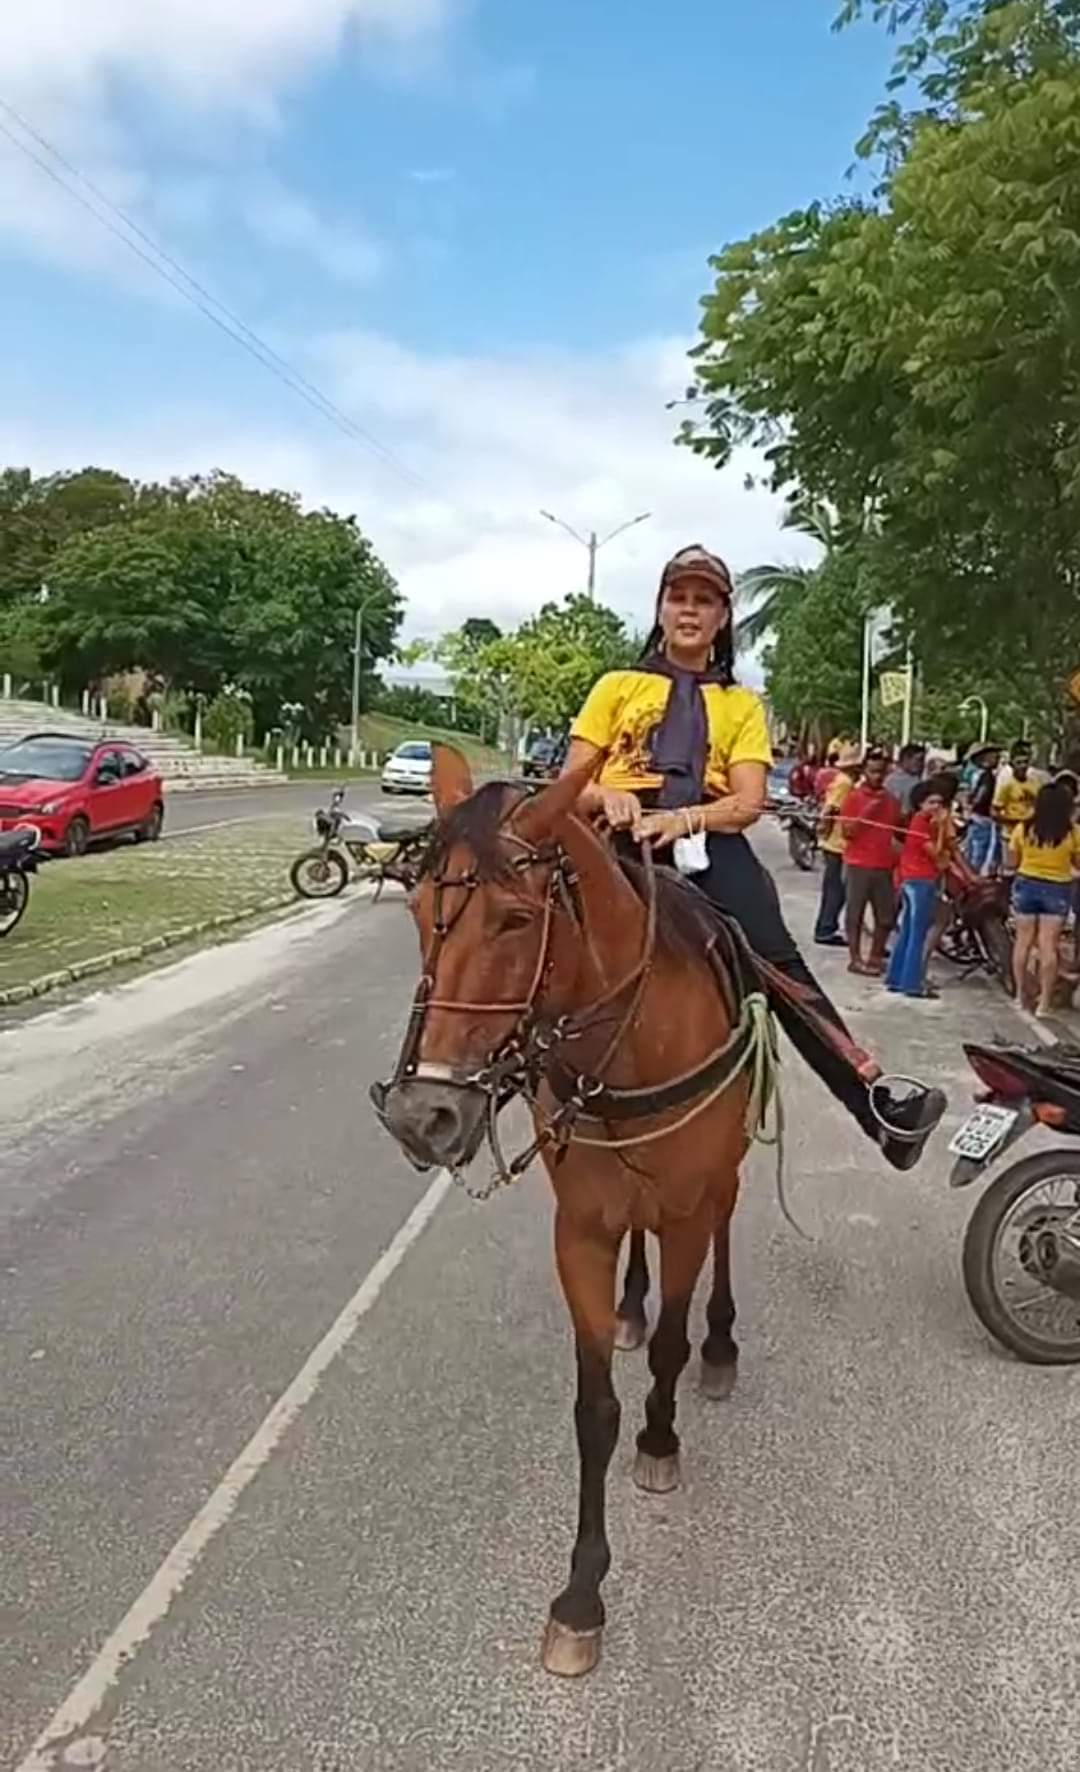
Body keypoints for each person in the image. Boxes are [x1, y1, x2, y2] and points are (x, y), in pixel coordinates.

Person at [563, 543, 946, 1171]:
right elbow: (570, 781)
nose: (688, 611)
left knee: (779, 963)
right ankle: (472, 1096)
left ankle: (876, 1106)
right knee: (518, 933)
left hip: (706, 840)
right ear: (660, 609)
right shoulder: (616, 686)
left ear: (721, 619)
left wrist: (681, 818)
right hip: (614, 838)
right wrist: (608, 794)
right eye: (677, 597)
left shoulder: (742, 704)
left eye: (703, 600)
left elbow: (745, 802)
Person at [1009, 778, 1080, 1018]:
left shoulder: (1023, 829)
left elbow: (1012, 861)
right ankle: (1044, 1002)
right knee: (1049, 946)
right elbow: (1077, 863)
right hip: (1057, 888)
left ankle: (1019, 996)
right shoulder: (1072, 833)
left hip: (1026, 883)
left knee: (1023, 943)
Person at [885, 775, 958, 999]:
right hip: (919, 881)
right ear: (921, 804)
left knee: (908, 931)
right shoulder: (921, 823)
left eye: (940, 803)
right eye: (932, 802)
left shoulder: (925, 822)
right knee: (917, 934)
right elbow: (936, 852)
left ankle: (897, 978)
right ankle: (912, 984)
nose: (936, 807)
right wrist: (943, 827)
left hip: (914, 879)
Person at [841, 747, 901, 975]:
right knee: (854, 914)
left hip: (884, 865)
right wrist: (866, 813)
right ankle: (855, 959)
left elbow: (897, 830)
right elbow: (848, 832)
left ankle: (876, 957)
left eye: (881, 772)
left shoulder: (891, 801)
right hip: (858, 864)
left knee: (885, 917)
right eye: (873, 771)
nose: (877, 776)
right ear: (864, 771)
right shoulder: (854, 798)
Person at [814, 744, 861, 947]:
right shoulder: (845, 783)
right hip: (837, 842)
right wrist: (824, 830)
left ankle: (827, 926)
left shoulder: (844, 780)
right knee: (836, 889)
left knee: (834, 887)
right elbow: (832, 809)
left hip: (835, 840)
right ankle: (826, 928)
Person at [963, 742, 1003, 875]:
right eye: (994, 755)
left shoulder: (974, 774)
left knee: (970, 850)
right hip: (982, 817)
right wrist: (974, 804)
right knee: (979, 852)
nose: (997, 757)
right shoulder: (987, 776)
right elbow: (982, 795)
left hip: (974, 816)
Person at [993, 741, 1038, 847]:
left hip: (1028, 834)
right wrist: (1012, 820)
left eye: (1025, 762)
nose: (1023, 766)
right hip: (1010, 834)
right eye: (1019, 762)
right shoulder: (1007, 784)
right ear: (1012, 764)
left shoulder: (1035, 783)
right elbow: (994, 811)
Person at [884, 743, 926, 820]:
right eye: (919, 760)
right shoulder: (890, 781)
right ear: (906, 759)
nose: (921, 764)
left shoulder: (917, 781)